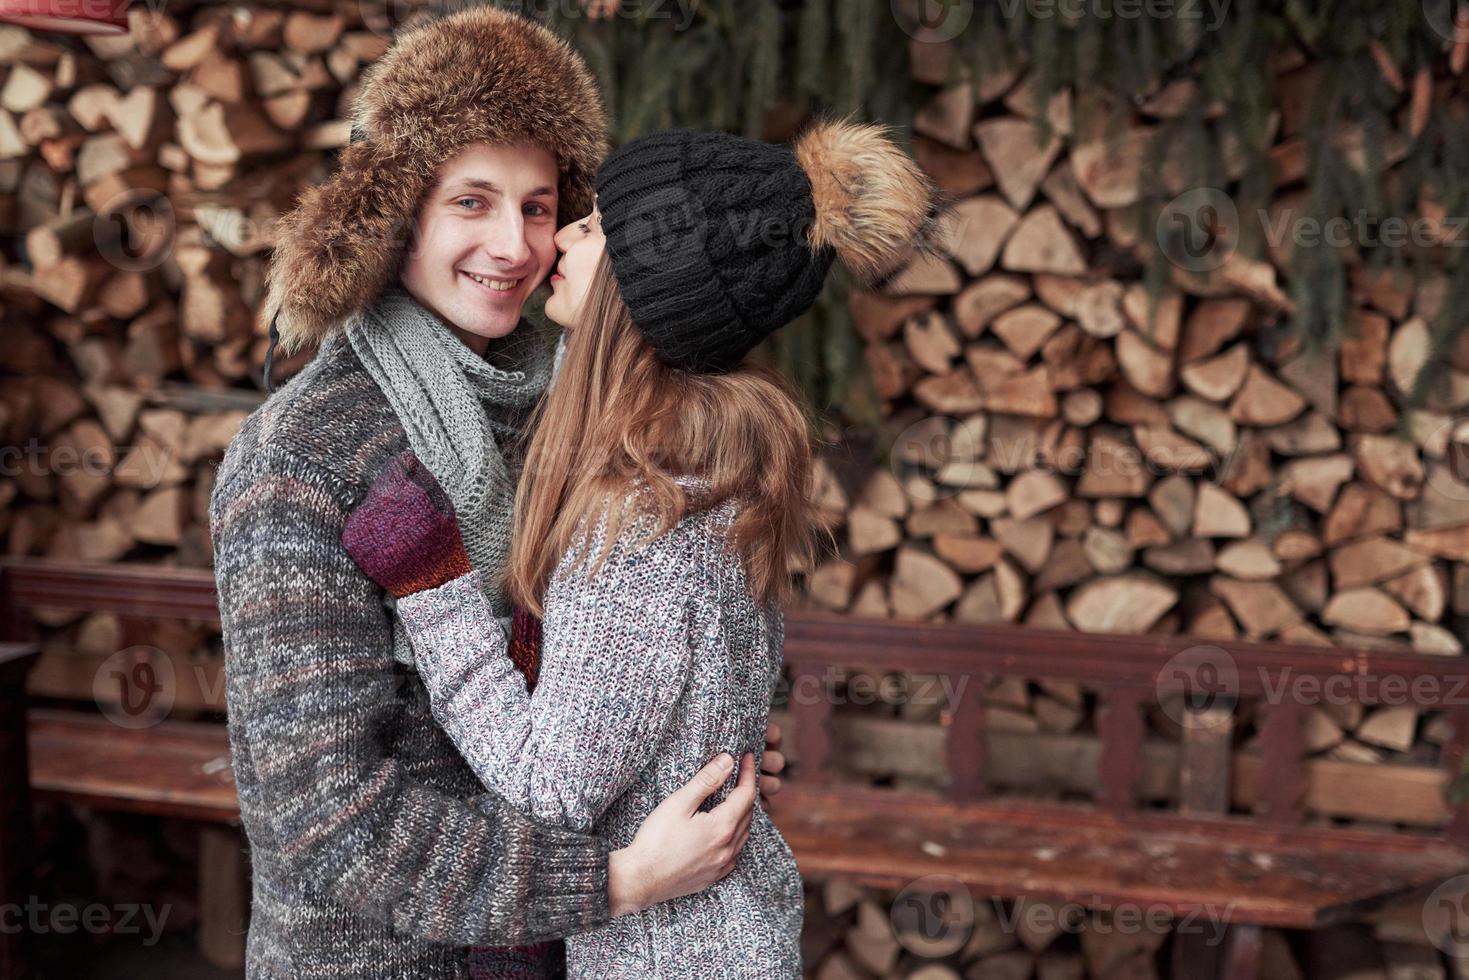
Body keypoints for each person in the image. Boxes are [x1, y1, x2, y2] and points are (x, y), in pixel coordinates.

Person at [209, 9, 784, 978]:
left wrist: (703, 738)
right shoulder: (301, 458)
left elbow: (623, 658)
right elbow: (331, 820)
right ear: (396, 213)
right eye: (470, 202)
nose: (514, 246)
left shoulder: (578, 411)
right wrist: (615, 879)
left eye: (537, 204)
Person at [339, 120, 940, 977]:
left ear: (642, 288)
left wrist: (431, 584)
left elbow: (546, 786)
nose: (570, 230)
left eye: (598, 226)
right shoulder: (699, 481)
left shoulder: (643, 521)